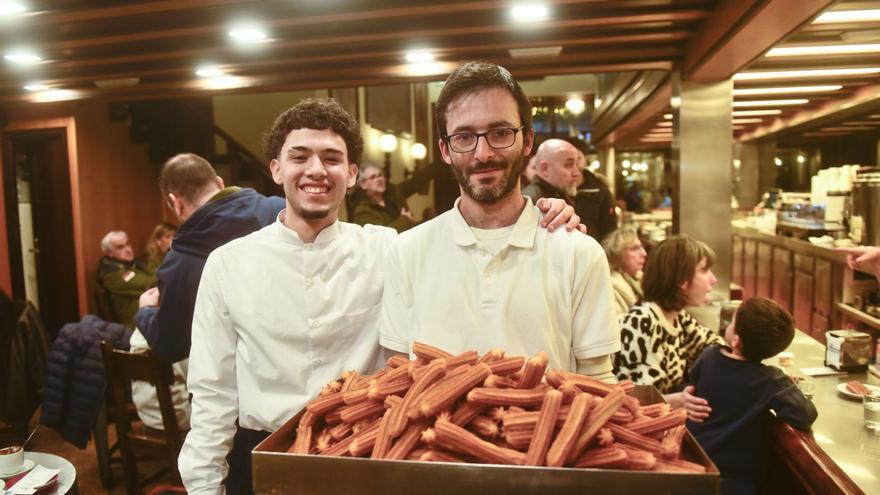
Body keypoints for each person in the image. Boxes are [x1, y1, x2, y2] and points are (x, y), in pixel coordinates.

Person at [179, 98, 581, 495]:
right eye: (299, 157)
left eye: (332, 159)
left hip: (368, 452)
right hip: (264, 455)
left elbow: (476, 244)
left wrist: (544, 214)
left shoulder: (390, 248)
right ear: (276, 169)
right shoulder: (228, 263)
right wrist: (203, 486)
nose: (316, 170)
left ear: (351, 173)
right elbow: (212, 391)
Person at [379, 61, 620, 378]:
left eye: (500, 132)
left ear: (527, 141)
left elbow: (597, 380)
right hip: (436, 428)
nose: (483, 153)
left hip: (549, 429)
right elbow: (396, 374)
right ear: (446, 149)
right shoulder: (406, 251)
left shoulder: (579, 252)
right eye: (464, 137)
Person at [134, 153, 285, 364]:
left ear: (175, 202)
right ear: (220, 183)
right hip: (308, 364)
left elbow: (172, 346)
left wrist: (145, 311)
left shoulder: (178, 264)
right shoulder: (282, 210)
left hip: (237, 383)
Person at [687, 297, 817, 495]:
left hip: (691, 464)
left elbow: (692, 384)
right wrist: (788, 384)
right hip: (735, 482)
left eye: (732, 322)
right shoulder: (770, 381)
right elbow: (804, 414)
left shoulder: (709, 356)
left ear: (736, 340)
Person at [615, 234, 725, 407]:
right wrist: (680, 401)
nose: (713, 280)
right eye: (704, 270)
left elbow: (715, 347)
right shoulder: (642, 321)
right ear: (682, 279)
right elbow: (637, 401)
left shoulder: (678, 317)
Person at [97, 231, 153, 326]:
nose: (128, 249)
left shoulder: (134, 264)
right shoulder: (111, 274)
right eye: (120, 247)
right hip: (135, 326)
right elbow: (152, 284)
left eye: (128, 244)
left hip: (148, 318)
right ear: (109, 253)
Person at [350, 163, 415, 232]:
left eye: (380, 175)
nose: (379, 179)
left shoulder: (393, 196)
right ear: (363, 184)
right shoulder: (362, 210)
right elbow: (380, 236)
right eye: (373, 177)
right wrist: (405, 219)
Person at [522, 138, 582, 206]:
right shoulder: (531, 202)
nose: (577, 173)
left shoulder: (556, 196)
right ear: (545, 169)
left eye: (577, 164)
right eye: (568, 164)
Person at [602, 227, 647, 316]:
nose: (644, 253)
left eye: (642, 247)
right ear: (617, 254)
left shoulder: (643, 281)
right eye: (635, 248)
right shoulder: (609, 287)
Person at [575, 155, 617, 241]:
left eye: (578, 158)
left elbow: (609, 229)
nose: (576, 164)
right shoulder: (557, 189)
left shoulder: (601, 191)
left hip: (594, 247)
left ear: (584, 160)